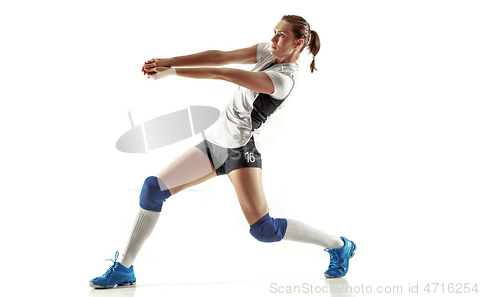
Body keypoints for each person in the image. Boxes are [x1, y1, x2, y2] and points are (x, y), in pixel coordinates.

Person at [89, 15, 356, 289]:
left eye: (281, 36)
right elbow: (220, 57)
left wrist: (170, 71)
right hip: (213, 144)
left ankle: (339, 245)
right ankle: (124, 268)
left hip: (241, 152)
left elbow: (223, 72)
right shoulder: (270, 51)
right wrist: (168, 60)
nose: (274, 39)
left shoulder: (284, 80)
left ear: (298, 43)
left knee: (264, 230)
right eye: (274, 32)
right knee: (153, 189)